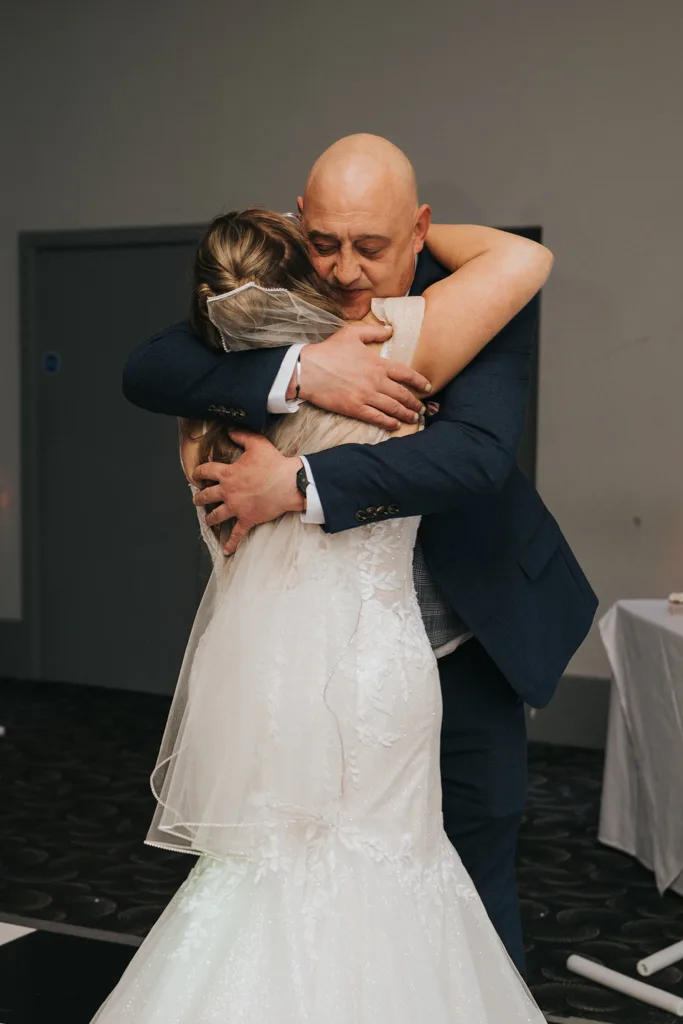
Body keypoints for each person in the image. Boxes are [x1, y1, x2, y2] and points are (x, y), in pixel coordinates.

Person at [122, 135, 598, 973]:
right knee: (303, 870)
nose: (344, 271)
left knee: (473, 865)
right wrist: (302, 372)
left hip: (466, 633)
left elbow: (473, 456)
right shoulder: (265, 312)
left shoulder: (464, 307)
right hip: (311, 659)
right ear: (297, 222)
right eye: (324, 241)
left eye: (371, 246)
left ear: (419, 231)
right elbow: (151, 366)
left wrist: (299, 481)